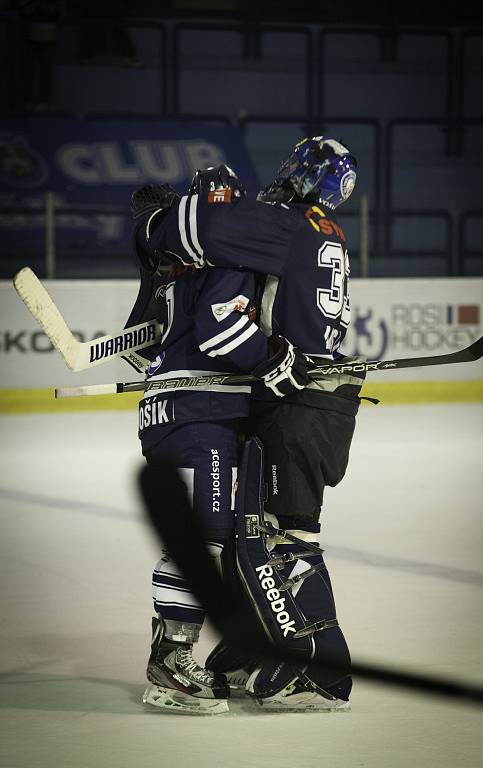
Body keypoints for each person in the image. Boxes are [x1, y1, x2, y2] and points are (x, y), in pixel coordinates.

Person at [130, 137, 365, 713]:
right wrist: (271, 359)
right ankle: (250, 650)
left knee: (279, 540)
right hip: (284, 401)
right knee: (247, 538)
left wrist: (152, 224)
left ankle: (316, 669)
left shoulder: (273, 226)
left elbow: (202, 257)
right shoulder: (323, 232)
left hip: (286, 404)